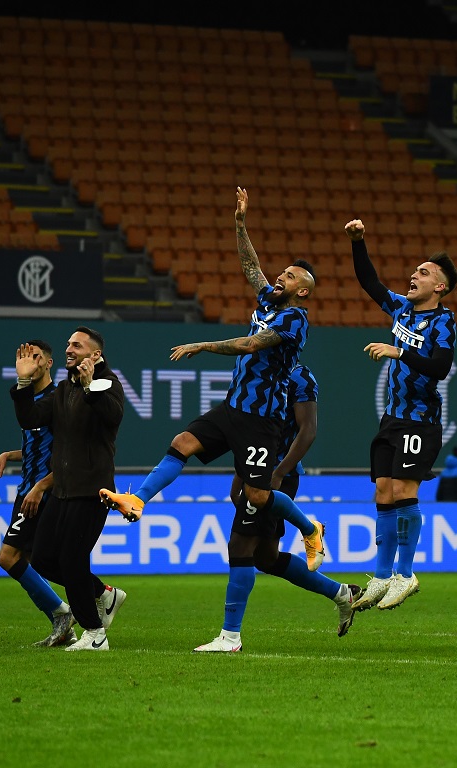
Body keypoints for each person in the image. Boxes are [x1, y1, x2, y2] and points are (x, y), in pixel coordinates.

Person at [99, 188, 334, 653]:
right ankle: (138, 499)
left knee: (257, 497)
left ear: (303, 290)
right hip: (233, 408)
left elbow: (251, 345)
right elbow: (251, 267)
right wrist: (240, 224)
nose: (280, 276)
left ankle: (309, 528)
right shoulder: (269, 299)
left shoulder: (296, 319)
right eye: (283, 272)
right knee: (182, 442)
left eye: (290, 276)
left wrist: (204, 345)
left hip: (263, 420)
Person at [344, 217, 457, 611]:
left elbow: (440, 366)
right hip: (391, 419)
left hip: (420, 420)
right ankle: (381, 576)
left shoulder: (443, 321)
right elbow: (369, 281)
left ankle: (405, 574)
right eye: (415, 271)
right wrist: (358, 242)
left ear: (439, 287)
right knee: (383, 491)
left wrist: (399, 351)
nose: (414, 276)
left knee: (405, 492)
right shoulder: (401, 309)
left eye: (424, 273)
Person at [209, 363, 361, 649]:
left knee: (240, 546)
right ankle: (342, 593)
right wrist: (240, 475)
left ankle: (230, 637)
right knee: (266, 558)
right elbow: (249, 435)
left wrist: (279, 472)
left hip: (277, 476)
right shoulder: (256, 373)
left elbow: (308, 431)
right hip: (256, 470)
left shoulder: (300, 376)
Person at [11, 328, 126, 652]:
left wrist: (90, 387)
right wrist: (23, 383)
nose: (69, 349)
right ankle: (103, 594)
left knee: (72, 559)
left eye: (77, 345)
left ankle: (95, 633)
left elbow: (112, 416)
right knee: (43, 559)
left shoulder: (107, 383)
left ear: (95, 354)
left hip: (92, 490)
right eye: (68, 344)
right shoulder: (64, 389)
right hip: (63, 490)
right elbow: (30, 418)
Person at [0, 338, 75, 647]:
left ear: (49, 363)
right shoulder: (31, 402)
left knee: (8, 557)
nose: (30, 362)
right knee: (31, 560)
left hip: (42, 492)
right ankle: (64, 623)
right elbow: (39, 446)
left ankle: (67, 610)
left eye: (36, 357)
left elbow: (66, 453)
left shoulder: (57, 400)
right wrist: (10, 454)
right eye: (25, 357)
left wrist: (42, 486)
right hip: (27, 489)